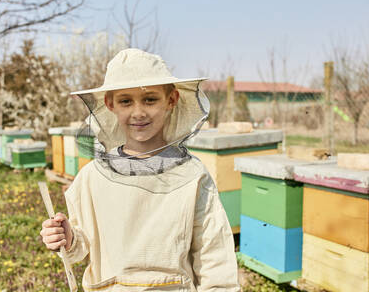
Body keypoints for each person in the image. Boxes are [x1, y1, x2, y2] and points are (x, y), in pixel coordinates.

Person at [40, 48, 240, 291]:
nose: (139, 112)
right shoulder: (92, 177)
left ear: (171, 100)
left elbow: (214, 255)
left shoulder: (193, 175)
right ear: (110, 104)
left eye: (150, 99)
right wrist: (68, 238)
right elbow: (82, 245)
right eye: (126, 101)